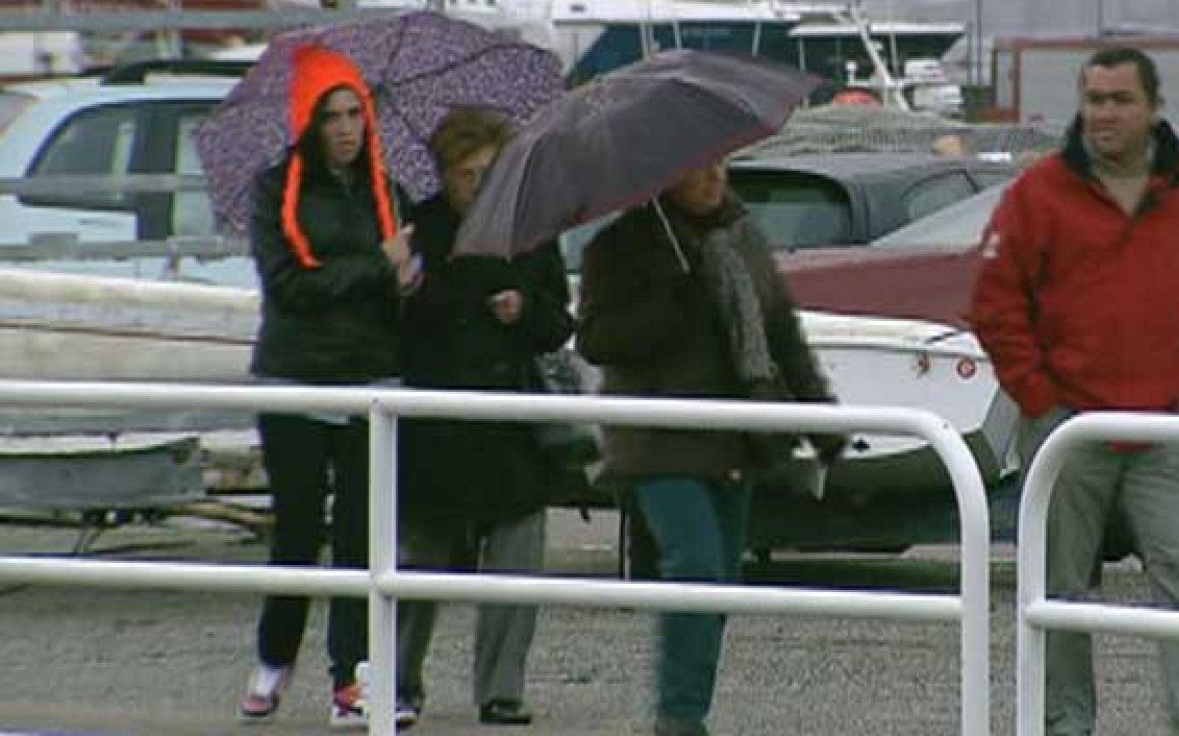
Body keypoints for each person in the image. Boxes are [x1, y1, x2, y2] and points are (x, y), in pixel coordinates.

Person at [968, 45, 1179, 736]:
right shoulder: (1039, 194)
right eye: (1094, 99)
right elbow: (995, 301)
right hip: (1067, 428)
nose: (1104, 113)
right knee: (1059, 588)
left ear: (1153, 108)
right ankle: (1064, 722)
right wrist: (1039, 397)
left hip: (1164, 426)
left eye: (1120, 100)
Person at [576, 159, 844, 736]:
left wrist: (823, 421)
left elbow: (782, 335)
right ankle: (680, 717)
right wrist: (672, 302)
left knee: (720, 583)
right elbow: (595, 340)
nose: (713, 177)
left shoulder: (743, 238)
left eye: (719, 163)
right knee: (694, 565)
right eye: (697, 168)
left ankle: (687, 706)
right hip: (658, 441)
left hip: (737, 437)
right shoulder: (619, 247)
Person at [237, 44, 421, 729]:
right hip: (294, 376)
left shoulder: (389, 191)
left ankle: (353, 679)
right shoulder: (273, 190)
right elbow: (289, 286)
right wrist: (377, 264)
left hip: (371, 377)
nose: (346, 129)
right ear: (307, 122)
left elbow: (392, 286)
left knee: (362, 538)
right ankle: (273, 657)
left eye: (355, 114)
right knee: (297, 528)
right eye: (332, 116)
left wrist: (407, 281)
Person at [394, 106, 574, 726]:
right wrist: (420, 289)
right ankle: (397, 683)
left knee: (516, 557)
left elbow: (559, 322)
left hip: (511, 421)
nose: (479, 185)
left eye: (490, 174)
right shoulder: (418, 231)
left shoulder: (531, 231)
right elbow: (397, 323)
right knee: (417, 562)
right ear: (444, 174)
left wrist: (525, 309)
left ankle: (501, 689)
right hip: (435, 421)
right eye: (468, 174)